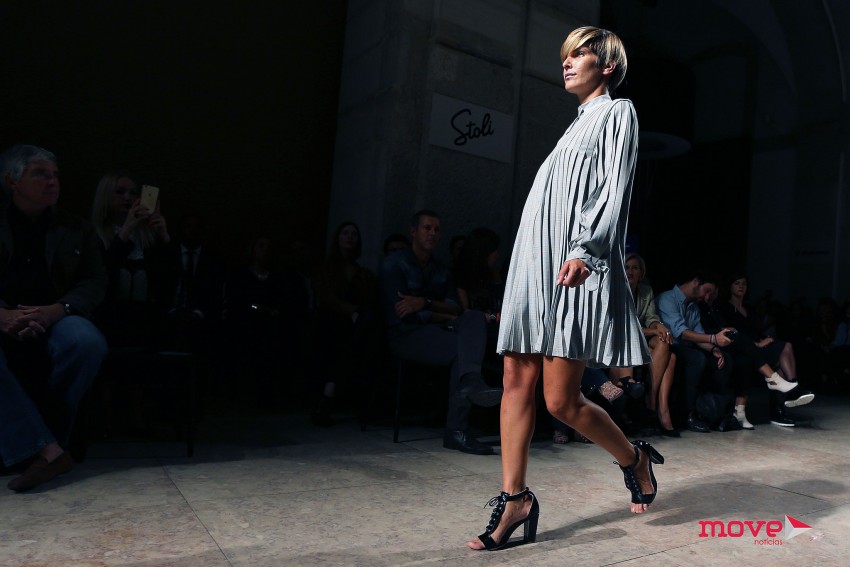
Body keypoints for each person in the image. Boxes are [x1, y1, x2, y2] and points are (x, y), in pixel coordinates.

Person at [467, 27, 663, 552]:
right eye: (565, 55)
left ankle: (634, 458)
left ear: (607, 65)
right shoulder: (572, 128)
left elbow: (614, 187)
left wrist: (586, 250)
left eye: (579, 54)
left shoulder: (618, 113)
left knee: (561, 402)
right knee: (514, 376)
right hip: (533, 264)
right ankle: (515, 498)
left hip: (575, 262)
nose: (568, 62)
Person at [0, 144, 109, 492]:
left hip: (58, 313)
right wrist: (3, 316)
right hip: (3, 314)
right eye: (40, 174)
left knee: (86, 342)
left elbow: (94, 281)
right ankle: (49, 451)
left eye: (55, 175)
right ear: (12, 181)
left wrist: (55, 311)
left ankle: (43, 444)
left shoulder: (77, 229)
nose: (52, 182)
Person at [379, 210, 502, 455]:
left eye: (436, 229)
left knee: (473, 318)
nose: (433, 234)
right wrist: (437, 312)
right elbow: (403, 314)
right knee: (463, 350)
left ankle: (471, 383)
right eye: (427, 228)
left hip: (438, 331)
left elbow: (455, 308)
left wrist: (424, 303)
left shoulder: (440, 269)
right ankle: (457, 428)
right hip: (406, 334)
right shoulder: (394, 264)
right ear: (413, 232)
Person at [713, 274, 814, 428]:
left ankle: (789, 390)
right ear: (730, 287)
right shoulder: (725, 308)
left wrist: (763, 340)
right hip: (741, 350)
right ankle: (787, 397)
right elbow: (734, 335)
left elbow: (755, 332)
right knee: (777, 359)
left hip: (756, 348)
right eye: (737, 283)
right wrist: (756, 344)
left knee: (786, 346)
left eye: (744, 283)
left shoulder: (749, 309)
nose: (741, 286)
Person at [91, 171, 171, 347]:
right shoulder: (93, 235)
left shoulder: (147, 237)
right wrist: (125, 231)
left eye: (133, 193)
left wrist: (164, 238)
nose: (127, 197)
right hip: (109, 321)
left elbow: (169, 278)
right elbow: (102, 273)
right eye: (119, 192)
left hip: (147, 323)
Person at [312, 222, 379, 425]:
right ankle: (330, 396)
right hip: (331, 320)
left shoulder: (363, 273)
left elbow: (368, 299)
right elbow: (327, 298)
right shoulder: (325, 269)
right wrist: (352, 312)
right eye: (345, 233)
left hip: (355, 325)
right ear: (338, 238)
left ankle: (330, 395)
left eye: (354, 234)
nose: (349, 237)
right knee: (340, 336)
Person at [623, 253, 678, 435]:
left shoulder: (646, 291)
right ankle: (658, 408)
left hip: (641, 337)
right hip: (623, 340)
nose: (630, 272)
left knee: (664, 341)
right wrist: (654, 330)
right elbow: (624, 327)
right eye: (627, 267)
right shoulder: (616, 291)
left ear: (642, 272)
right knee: (671, 358)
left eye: (635, 268)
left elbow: (651, 317)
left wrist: (658, 325)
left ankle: (652, 400)